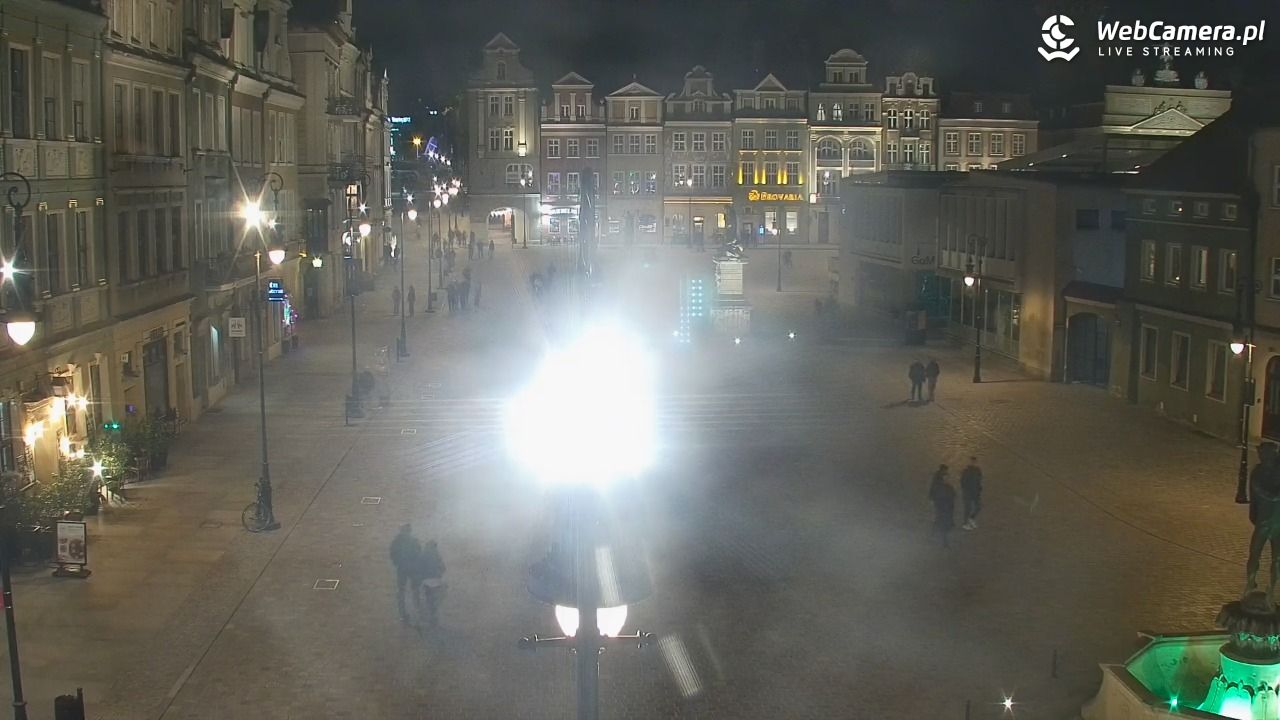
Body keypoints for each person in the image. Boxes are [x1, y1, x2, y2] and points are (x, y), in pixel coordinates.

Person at [389, 524, 421, 621]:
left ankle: (403, 613)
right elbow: (418, 552)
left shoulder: (396, 541)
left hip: (402, 568)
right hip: (411, 568)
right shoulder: (413, 541)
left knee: (402, 590)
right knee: (414, 589)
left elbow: (392, 553)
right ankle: (416, 609)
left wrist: (397, 563)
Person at [412, 539, 447, 627]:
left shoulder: (423, 556)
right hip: (437, 582)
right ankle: (433, 619)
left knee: (427, 601)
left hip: (426, 582)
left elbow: (418, 569)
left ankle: (426, 619)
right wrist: (438, 574)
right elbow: (443, 568)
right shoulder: (437, 556)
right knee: (434, 602)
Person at [928, 465, 956, 548]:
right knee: (941, 521)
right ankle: (942, 539)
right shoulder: (939, 483)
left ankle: (935, 535)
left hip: (943, 506)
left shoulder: (941, 483)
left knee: (939, 519)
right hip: (942, 506)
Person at [959, 457, 983, 530]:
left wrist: (979, 489)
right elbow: (962, 482)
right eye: (972, 462)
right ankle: (965, 523)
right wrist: (966, 490)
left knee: (978, 506)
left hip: (975, 492)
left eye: (974, 462)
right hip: (968, 493)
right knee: (967, 508)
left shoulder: (978, 471)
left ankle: (971, 518)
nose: (973, 463)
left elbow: (979, 481)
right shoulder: (966, 471)